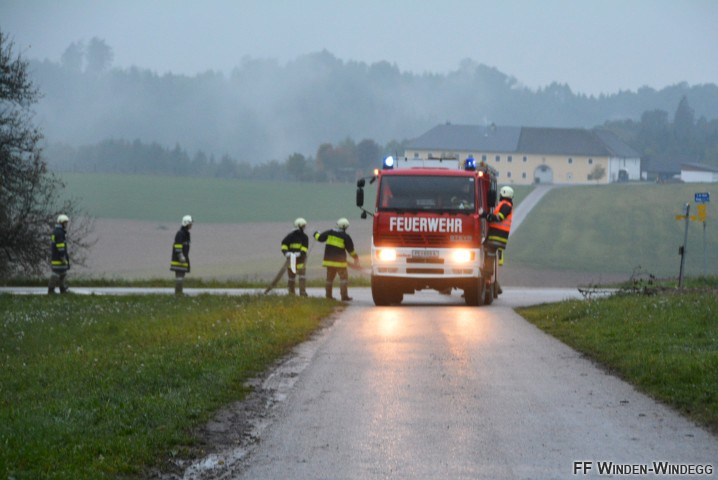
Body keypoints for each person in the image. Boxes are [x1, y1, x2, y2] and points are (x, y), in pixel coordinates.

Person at [314, 218, 360, 301]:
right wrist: (356, 258)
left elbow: (320, 238)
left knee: (329, 280)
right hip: (340, 263)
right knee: (343, 279)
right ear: (346, 227)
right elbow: (351, 250)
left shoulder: (329, 232)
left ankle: (328, 296)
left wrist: (316, 233)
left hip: (329, 262)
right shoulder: (346, 237)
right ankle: (344, 296)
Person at [482, 185, 514, 265]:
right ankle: (488, 268)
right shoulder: (504, 204)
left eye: (500, 194)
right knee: (488, 251)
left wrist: (486, 215)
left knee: (490, 252)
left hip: (497, 235)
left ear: (504, 193)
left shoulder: (506, 205)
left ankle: (487, 269)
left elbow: (499, 217)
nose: (499, 196)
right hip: (497, 235)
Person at [281, 217, 309, 296]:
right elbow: (284, 244)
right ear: (299, 226)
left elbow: (305, 247)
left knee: (302, 277)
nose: (304, 227)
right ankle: (291, 293)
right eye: (303, 226)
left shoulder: (304, 237)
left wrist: (300, 253)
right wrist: (286, 253)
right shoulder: (290, 236)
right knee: (291, 278)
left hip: (301, 260)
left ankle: (302, 293)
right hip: (291, 260)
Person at [170, 215, 193, 295]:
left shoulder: (186, 234)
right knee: (179, 277)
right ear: (187, 223)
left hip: (183, 259)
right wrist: (180, 255)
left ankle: (179, 292)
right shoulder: (180, 233)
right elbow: (178, 245)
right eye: (190, 223)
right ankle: (178, 293)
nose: (191, 225)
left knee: (181, 277)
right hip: (179, 260)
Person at [48, 214, 71, 294]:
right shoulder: (59, 232)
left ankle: (63, 290)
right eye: (65, 223)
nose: (66, 224)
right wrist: (63, 257)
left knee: (63, 274)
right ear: (61, 223)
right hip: (58, 258)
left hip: (57, 257)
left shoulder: (58, 231)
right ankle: (51, 290)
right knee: (56, 274)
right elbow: (60, 247)